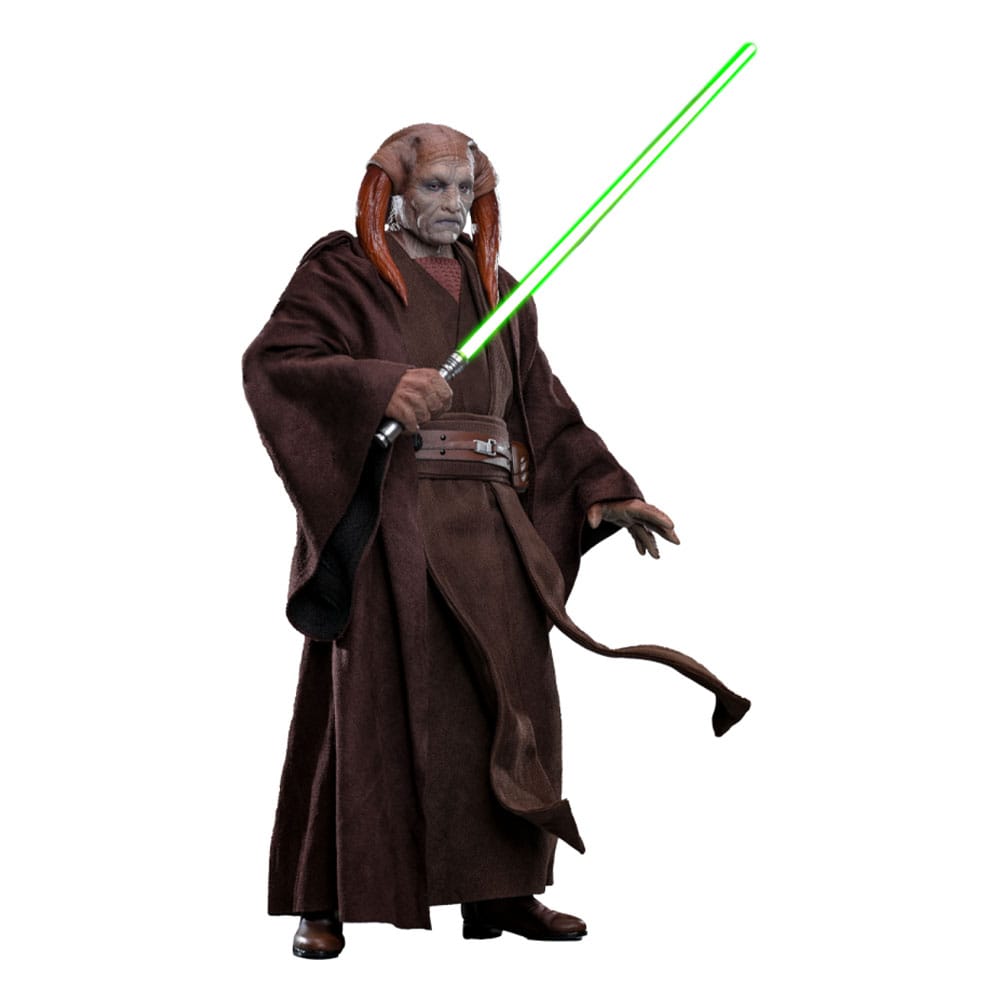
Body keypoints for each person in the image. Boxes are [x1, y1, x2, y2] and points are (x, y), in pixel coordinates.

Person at [243, 123, 749, 960]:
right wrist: (379, 387)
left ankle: (502, 891)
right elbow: (277, 364)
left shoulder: (500, 292)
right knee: (370, 710)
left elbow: (541, 405)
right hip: (395, 530)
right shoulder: (343, 272)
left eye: (466, 188)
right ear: (391, 193)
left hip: (491, 531)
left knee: (508, 705)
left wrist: (604, 491)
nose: (454, 204)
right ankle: (325, 898)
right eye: (435, 187)